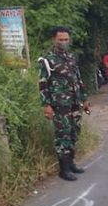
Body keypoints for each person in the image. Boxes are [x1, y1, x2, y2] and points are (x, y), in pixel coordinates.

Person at [38, 26, 91, 182]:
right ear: (54, 40)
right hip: (59, 103)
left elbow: (78, 79)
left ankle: (71, 162)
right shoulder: (47, 60)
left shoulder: (71, 57)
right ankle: (64, 169)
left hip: (74, 101)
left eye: (66, 39)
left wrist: (84, 99)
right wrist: (46, 105)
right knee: (63, 135)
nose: (63, 42)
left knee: (75, 132)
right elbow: (42, 84)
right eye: (60, 39)